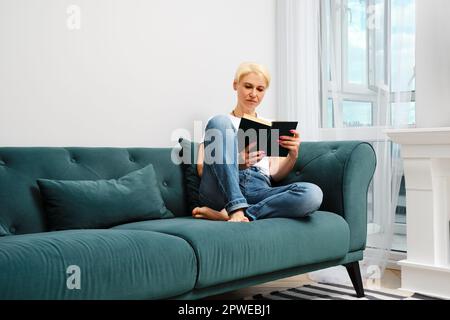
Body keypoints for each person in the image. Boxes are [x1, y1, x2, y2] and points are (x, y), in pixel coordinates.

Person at [192, 62, 323, 223]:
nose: (253, 94)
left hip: (258, 189)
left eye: (260, 89)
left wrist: (293, 155)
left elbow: (275, 173)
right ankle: (235, 207)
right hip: (221, 189)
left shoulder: (270, 125)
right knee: (219, 121)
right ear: (235, 85)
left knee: (312, 194)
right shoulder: (218, 123)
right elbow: (201, 169)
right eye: (248, 86)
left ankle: (235, 214)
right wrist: (238, 163)